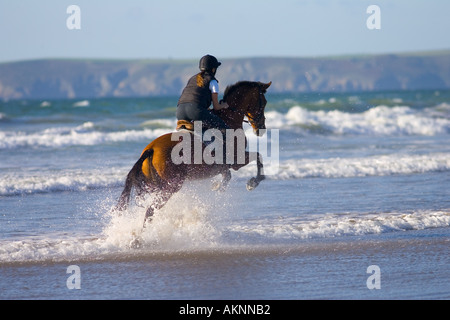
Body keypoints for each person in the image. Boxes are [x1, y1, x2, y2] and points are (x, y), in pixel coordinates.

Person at [176, 55, 229, 132]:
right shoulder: (213, 82)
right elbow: (216, 107)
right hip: (195, 111)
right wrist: (224, 105)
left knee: (201, 130)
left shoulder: (193, 78)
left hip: (179, 112)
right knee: (226, 130)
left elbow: (194, 97)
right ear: (213, 69)